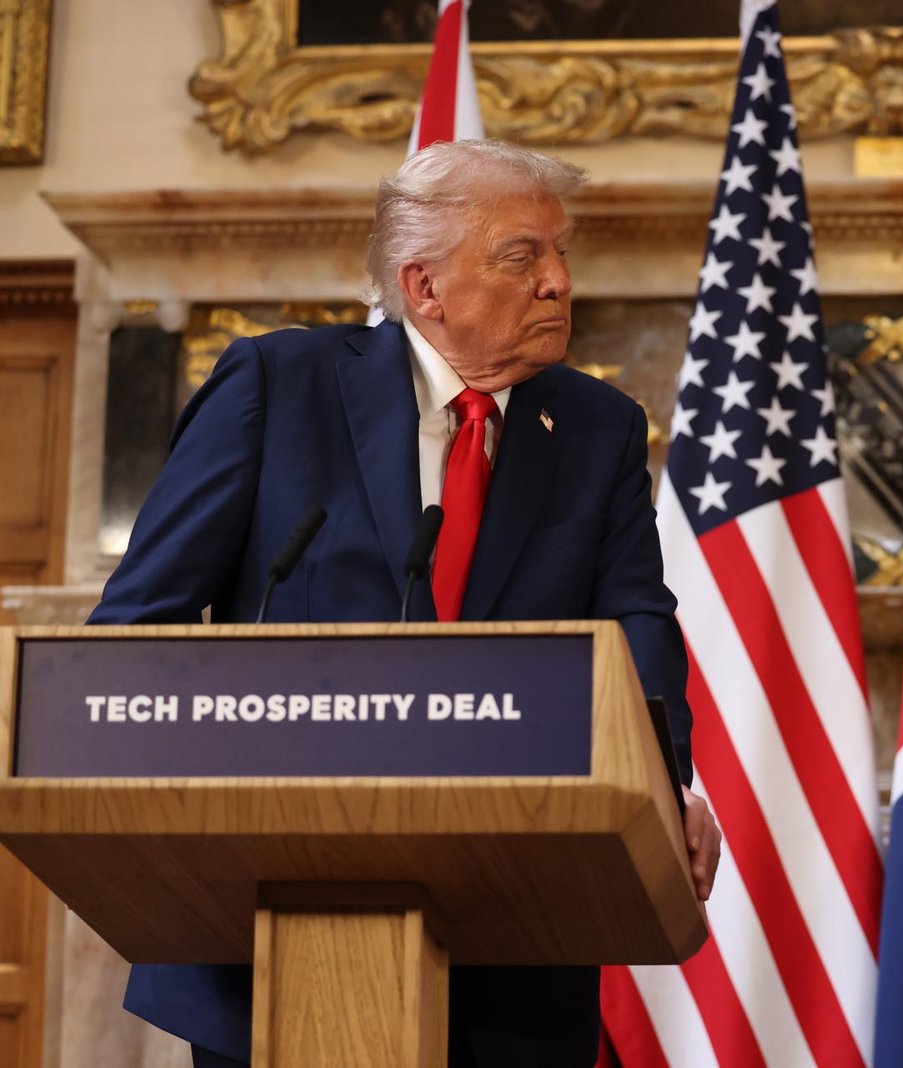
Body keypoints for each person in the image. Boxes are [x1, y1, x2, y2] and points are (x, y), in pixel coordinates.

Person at [89, 139, 721, 1067]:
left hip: (514, 937)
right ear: (423, 286)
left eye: (559, 252)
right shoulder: (279, 385)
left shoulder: (599, 427)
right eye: (522, 256)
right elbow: (140, 629)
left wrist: (666, 787)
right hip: (272, 928)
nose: (558, 281)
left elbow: (638, 625)